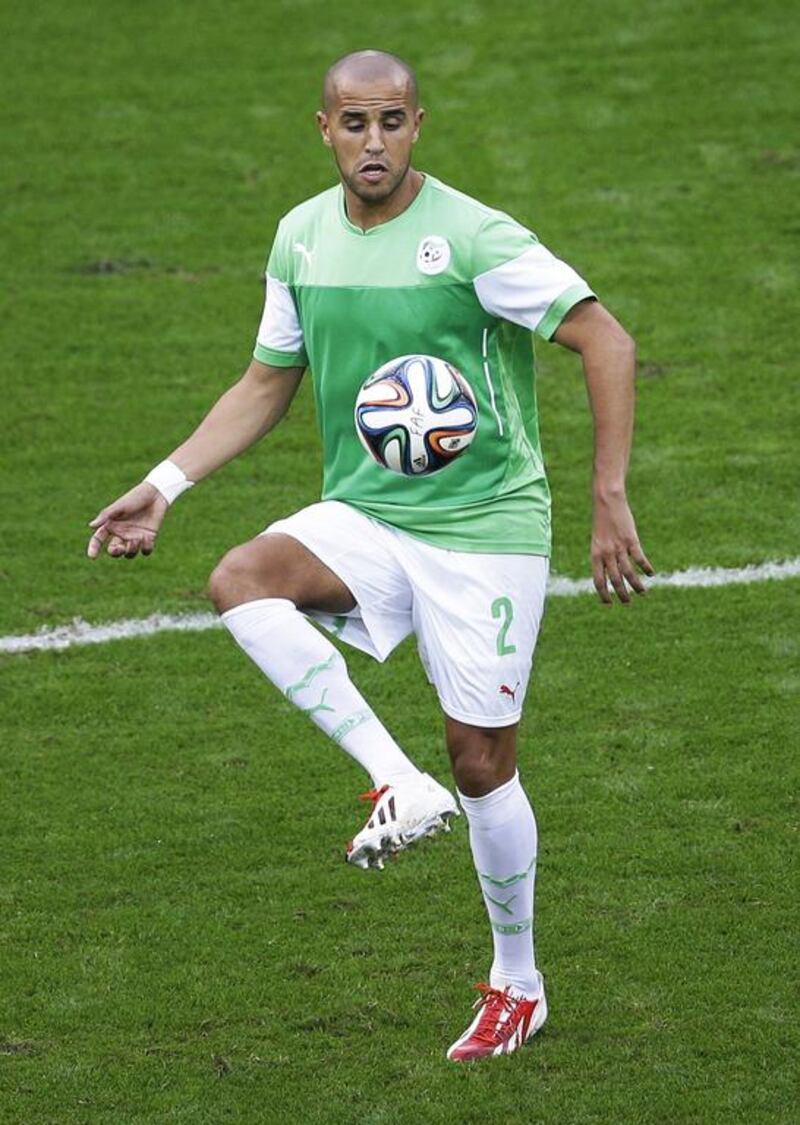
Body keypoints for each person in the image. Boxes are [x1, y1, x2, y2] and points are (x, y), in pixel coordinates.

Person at [87, 49, 653, 1062]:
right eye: (354, 124)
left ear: (416, 126)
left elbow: (603, 340)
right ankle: (395, 781)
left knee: (482, 761)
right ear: (324, 130)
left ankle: (515, 981)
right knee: (241, 576)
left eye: (391, 122)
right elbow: (267, 380)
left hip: (484, 529)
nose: (373, 143)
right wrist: (163, 485)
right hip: (371, 515)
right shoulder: (300, 236)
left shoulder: (474, 236)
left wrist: (605, 495)